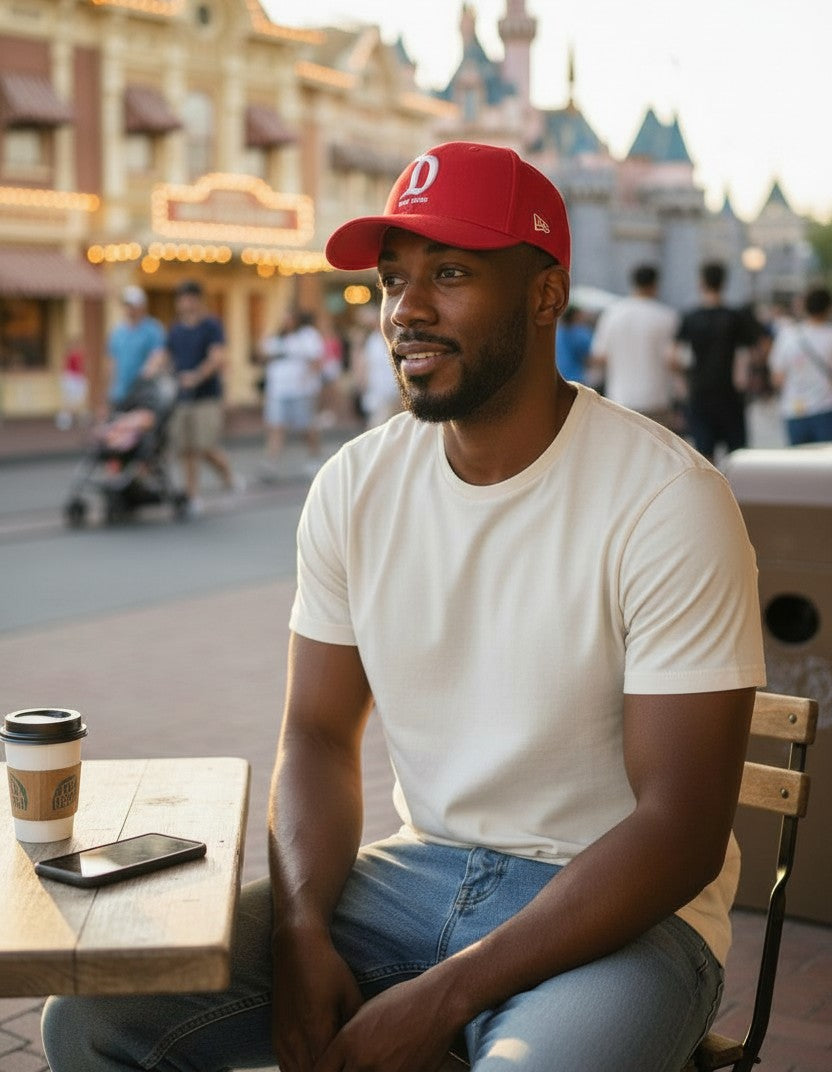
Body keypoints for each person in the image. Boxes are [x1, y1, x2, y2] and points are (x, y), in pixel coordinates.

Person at [42, 142, 765, 1072]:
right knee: (91, 1023)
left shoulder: (667, 500)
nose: (406, 311)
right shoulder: (355, 484)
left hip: (626, 912)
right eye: (393, 280)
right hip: (410, 880)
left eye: (451, 273)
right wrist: (303, 930)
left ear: (546, 295)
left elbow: (682, 830)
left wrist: (445, 997)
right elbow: (315, 732)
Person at [676, 261, 763, 461]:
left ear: (702, 283)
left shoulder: (690, 317)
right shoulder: (734, 316)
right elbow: (751, 353)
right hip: (730, 393)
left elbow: (673, 356)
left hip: (700, 392)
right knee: (737, 455)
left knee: (705, 455)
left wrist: (683, 386)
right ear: (724, 283)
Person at [163, 279, 235, 510]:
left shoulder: (210, 326)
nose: (186, 303)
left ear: (197, 300)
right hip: (182, 397)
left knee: (205, 446)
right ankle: (192, 495)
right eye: (182, 299)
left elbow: (216, 357)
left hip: (206, 396)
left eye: (190, 298)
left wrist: (197, 376)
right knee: (187, 449)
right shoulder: (175, 329)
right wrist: (150, 370)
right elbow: (165, 355)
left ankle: (228, 476)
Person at [589, 264, 679, 424]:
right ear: (655, 285)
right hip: (656, 398)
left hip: (620, 398)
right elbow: (673, 360)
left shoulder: (612, 313)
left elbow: (599, 357)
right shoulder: (667, 316)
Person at [260, 308, 326, 477]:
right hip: (278, 391)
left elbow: (317, 360)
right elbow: (263, 357)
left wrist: (307, 379)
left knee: (305, 427)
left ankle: (315, 457)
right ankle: (271, 463)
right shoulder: (277, 339)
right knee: (276, 427)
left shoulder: (307, 336)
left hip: (301, 391)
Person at [768, 285, 832, 445]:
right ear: (828, 308)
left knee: (798, 466)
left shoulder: (788, 335)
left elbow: (777, 379)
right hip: (825, 410)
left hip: (794, 410)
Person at [106, 285, 165, 410]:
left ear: (141, 306)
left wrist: (147, 374)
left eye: (132, 305)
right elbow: (112, 363)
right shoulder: (117, 332)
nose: (129, 309)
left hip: (143, 395)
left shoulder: (152, 329)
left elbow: (158, 356)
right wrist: (109, 391)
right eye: (127, 305)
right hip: (120, 394)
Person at [554, 303, 594, 384]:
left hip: (557, 378)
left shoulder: (556, 333)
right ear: (575, 315)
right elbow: (588, 359)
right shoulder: (580, 333)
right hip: (575, 380)